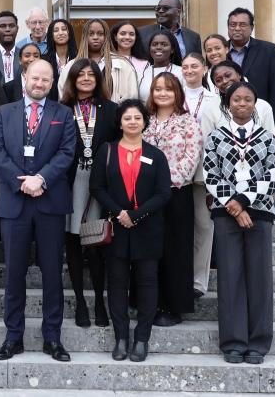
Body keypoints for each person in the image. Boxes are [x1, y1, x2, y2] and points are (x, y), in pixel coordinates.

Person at [0, 59, 76, 362]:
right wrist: (22, 182)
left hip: (50, 203)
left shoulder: (63, 114)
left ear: (53, 83)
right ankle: (14, 337)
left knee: (52, 273)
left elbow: (67, 153)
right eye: (35, 78)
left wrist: (42, 179)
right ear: (24, 76)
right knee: (14, 274)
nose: (39, 84)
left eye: (46, 80)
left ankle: (52, 338)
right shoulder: (3, 113)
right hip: (15, 204)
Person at [203, 81, 275, 365]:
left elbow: (273, 175)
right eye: (237, 99)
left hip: (259, 214)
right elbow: (211, 174)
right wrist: (234, 207)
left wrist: (243, 202)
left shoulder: (267, 137)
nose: (243, 104)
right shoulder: (216, 137)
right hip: (226, 215)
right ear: (228, 104)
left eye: (248, 99)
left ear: (255, 104)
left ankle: (258, 343)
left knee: (259, 278)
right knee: (230, 277)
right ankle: (234, 343)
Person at [89, 99, 171, 362]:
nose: (133, 122)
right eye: (127, 118)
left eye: (137, 118)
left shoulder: (156, 155)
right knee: (116, 284)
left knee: (147, 284)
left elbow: (163, 193)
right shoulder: (107, 151)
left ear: (144, 122)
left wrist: (136, 214)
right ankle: (121, 337)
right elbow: (97, 188)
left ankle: (142, 339)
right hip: (117, 228)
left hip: (148, 228)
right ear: (120, 122)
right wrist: (119, 213)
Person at [59, 58, 119, 328]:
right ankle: (80, 302)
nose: (85, 78)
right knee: (72, 241)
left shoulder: (110, 109)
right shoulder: (61, 110)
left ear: (98, 79)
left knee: (95, 245)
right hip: (70, 182)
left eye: (90, 74)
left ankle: (98, 301)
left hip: (100, 183)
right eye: (79, 74)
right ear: (72, 79)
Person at [142, 72, 202, 326]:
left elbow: (192, 157)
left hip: (177, 194)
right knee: (150, 251)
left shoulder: (188, 122)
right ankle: (148, 303)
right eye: (157, 89)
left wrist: (166, 183)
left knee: (175, 251)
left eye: (168, 89)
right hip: (146, 197)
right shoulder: (145, 121)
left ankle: (173, 306)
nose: (162, 93)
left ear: (177, 92)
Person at [181, 53, 222, 298]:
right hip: (175, 167)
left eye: (194, 66)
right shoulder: (174, 94)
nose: (189, 70)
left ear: (205, 69)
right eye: (185, 67)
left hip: (203, 167)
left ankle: (198, 280)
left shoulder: (214, 98)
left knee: (203, 225)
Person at [226, 7, 275, 132]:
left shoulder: (270, 51)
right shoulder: (219, 51)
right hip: (226, 119)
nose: (237, 28)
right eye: (233, 25)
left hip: (260, 118)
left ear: (252, 28)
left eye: (242, 25)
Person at [58, 19, 138, 104]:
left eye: (100, 34)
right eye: (91, 34)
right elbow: (64, 97)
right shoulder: (71, 66)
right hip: (79, 116)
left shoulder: (123, 65)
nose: (95, 37)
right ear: (85, 37)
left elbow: (132, 97)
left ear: (106, 36)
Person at [138, 30, 184, 102]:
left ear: (172, 49)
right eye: (155, 44)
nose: (158, 47)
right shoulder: (140, 73)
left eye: (164, 44)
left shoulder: (181, 72)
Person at [42, 19, 78, 101]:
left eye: (64, 29)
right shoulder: (44, 61)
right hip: (50, 106)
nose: (60, 33)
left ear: (70, 33)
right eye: (56, 30)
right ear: (51, 35)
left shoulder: (79, 59)